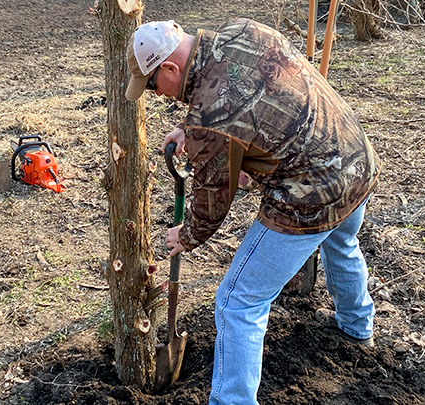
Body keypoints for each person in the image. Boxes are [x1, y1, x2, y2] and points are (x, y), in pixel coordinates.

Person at [125, 19, 382, 405]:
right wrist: (193, 128)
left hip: (311, 193)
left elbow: (213, 201)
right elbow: (249, 89)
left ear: (170, 69)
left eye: (152, 86)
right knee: (342, 243)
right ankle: (358, 329)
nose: (157, 95)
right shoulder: (242, 30)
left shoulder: (210, 121)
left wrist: (188, 235)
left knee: (237, 300)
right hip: (354, 159)